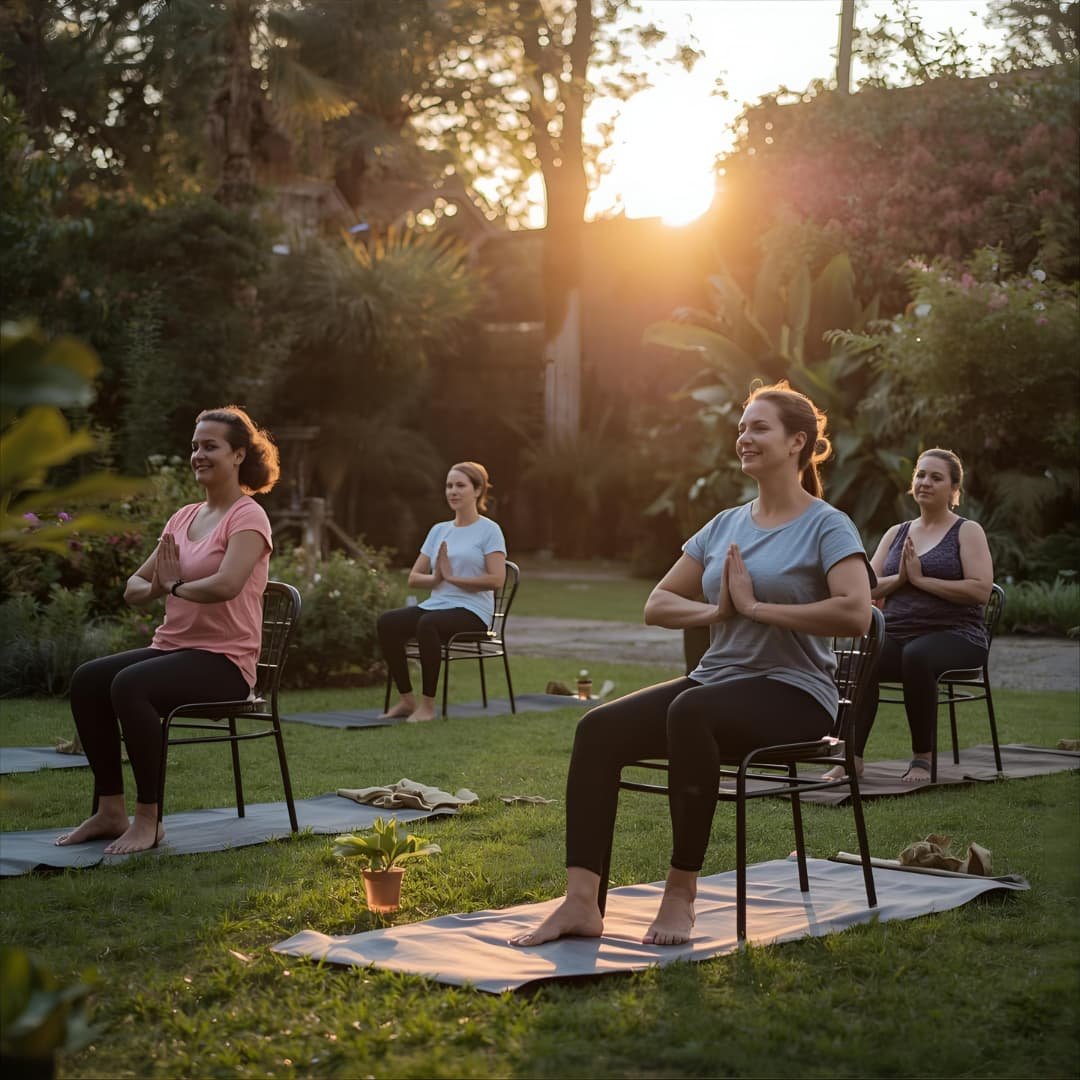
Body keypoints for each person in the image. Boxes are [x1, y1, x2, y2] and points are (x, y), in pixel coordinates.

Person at [510, 381, 873, 949]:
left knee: (691, 710)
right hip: (716, 686)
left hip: (796, 695)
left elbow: (857, 613)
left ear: (798, 442)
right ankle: (581, 902)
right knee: (597, 729)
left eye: (758, 428)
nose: (743, 438)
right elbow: (657, 603)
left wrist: (758, 609)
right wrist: (719, 608)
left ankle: (681, 893)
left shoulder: (827, 524)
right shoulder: (725, 524)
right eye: (740, 429)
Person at [57, 406, 279, 855]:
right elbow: (134, 588)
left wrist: (174, 584)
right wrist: (159, 583)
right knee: (88, 680)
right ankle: (110, 810)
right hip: (174, 650)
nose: (198, 454)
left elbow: (227, 584)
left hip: (225, 665)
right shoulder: (183, 517)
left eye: (210, 446)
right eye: (195, 446)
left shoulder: (248, 516)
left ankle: (149, 819)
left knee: (130, 686)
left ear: (239, 455)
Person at [837, 449, 993, 784]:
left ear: (954, 489)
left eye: (936, 477)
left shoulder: (967, 531)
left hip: (958, 636)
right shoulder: (896, 533)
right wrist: (903, 580)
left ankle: (923, 759)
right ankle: (851, 758)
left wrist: (923, 581)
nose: (925, 482)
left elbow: (981, 590)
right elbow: (868, 585)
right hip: (899, 633)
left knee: (917, 656)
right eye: (921, 475)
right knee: (861, 659)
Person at [378, 462, 507, 724]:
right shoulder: (439, 530)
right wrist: (437, 577)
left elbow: (497, 579)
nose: (453, 491)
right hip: (437, 605)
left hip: (473, 611)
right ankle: (406, 700)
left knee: (428, 624)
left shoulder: (489, 530)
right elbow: (414, 577)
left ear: (478, 490)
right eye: (449, 486)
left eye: (461, 485)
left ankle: (428, 706)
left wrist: (453, 578)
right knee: (387, 622)